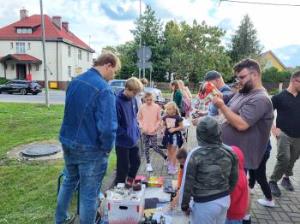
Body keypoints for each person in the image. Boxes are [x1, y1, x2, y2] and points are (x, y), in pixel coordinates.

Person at [55, 52, 121, 224]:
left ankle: (60, 218)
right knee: (89, 194)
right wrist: (107, 148)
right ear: (108, 65)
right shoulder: (104, 89)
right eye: (114, 72)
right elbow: (107, 127)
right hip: (90, 148)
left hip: (68, 141)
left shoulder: (75, 81)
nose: (113, 76)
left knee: (69, 180)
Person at [212, 58, 274, 222]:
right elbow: (231, 101)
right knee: (238, 190)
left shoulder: (261, 98)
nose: (238, 80)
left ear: (254, 74)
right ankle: (241, 216)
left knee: (239, 191)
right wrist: (220, 99)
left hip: (242, 155)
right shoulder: (245, 92)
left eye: (242, 77)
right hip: (232, 152)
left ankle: (240, 218)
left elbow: (242, 124)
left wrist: (221, 107)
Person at [180, 116, 238, 224]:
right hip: (224, 199)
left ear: (199, 134)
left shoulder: (195, 154)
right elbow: (234, 179)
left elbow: (188, 183)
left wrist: (184, 205)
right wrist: (225, 192)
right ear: (219, 132)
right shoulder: (230, 152)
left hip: (205, 204)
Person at [269, 71, 300, 197]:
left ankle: (286, 179)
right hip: (283, 133)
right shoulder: (279, 97)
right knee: (284, 158)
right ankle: (272, 181)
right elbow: (268, 113)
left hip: (298, 135)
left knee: (293, 158)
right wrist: (273, 129)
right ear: (294, 81)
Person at [114, 77, 144, 188]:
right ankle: (119, 188)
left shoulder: (133, 99)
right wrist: (125, 134)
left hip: (133, 138)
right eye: (134, 92)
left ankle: (129, 183)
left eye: (137, 93)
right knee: (123, 167)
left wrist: (137, 129)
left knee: (136, 162)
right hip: (122, 141)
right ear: (127, 88)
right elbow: (114, 124)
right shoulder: (117, 102)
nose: (135, 95)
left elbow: (134, 116)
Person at [137, 92, 167, 172]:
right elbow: (139, 118)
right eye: (147, 100)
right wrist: (141, 126)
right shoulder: (142, 107)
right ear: (144, 99)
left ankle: (165, 157)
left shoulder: (157, 107)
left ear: (153, 99)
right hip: (145, 131)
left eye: (150, 100)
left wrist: (156, 127)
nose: (149, 101)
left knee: (155, 147)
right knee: (146, 148)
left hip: (153, 131)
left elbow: (159, 119)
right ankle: (148, 164)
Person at [226, 146, 249, 224]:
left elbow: (229, 198)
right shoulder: (243, 174)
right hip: (240, 212)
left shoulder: (233, 178)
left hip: (231, 214)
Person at [162, 101, 184, 175]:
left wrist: (174, 129)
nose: (168, 111)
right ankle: (170, 164)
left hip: (175, 136)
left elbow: (182, 127)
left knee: (174, 152)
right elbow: (164, 125)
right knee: (169, 151)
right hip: (167, 136)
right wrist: (163, 129)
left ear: (174, 109)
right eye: (167, 109)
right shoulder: (165, 117)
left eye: (169, 109)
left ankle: (172, 168)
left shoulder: (178, 118)